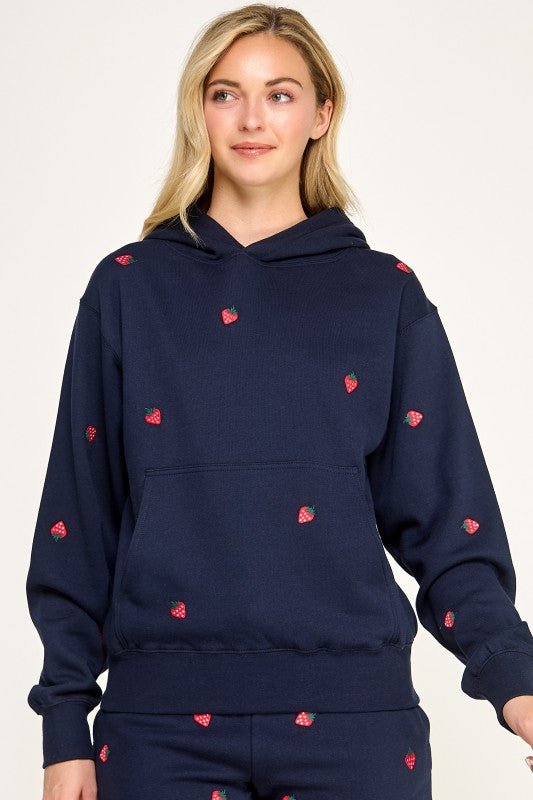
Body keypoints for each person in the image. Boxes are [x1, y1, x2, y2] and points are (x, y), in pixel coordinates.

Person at [26, 4, 533, 799]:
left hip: (356, 731)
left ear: (321, 114)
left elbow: (448, 523)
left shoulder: (383, 296)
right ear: (198, 111)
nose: (251, 118)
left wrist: (516, 682)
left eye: (280, 94)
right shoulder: (127, 289)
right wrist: (63, 729)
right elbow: (77, 522)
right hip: (159, 733)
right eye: (225, 93)